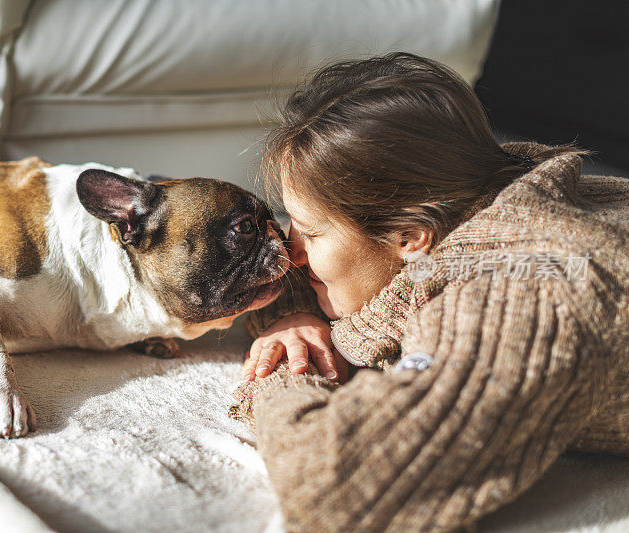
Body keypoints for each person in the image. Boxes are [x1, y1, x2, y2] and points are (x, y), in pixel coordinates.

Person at [229, 52, 629, 532]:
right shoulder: (479, 180)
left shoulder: (522, 296)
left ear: (409, 237)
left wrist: (283, 374)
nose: (290, 254)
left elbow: (336, 482)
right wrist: (296, 318)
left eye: (310, 233)